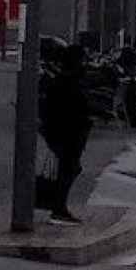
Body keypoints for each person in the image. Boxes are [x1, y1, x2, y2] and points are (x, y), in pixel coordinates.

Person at [38, 43, 92, 225]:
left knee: (70, 169)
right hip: (66, 134)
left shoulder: (69, 79)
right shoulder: (66, 81)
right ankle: (58, 207)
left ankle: (58, 206)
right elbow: (67, 110)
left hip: (69, 134)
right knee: (68, 169)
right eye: (82, 59)